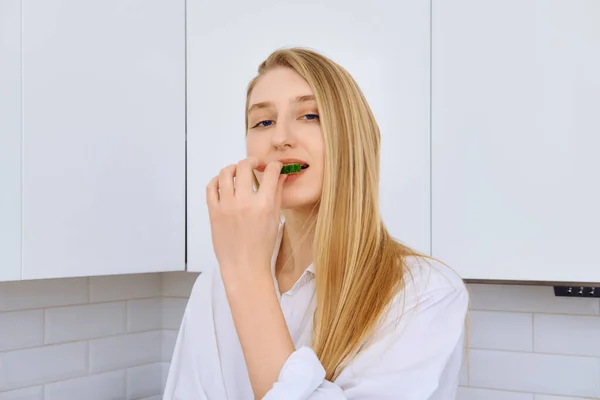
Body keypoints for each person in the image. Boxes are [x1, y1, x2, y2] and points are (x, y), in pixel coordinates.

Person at [163, 47, 469, 400]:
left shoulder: (422, 293)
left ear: (351, 139)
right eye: (263, 122)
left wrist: (248, 279)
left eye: (309, 116)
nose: (280, 138)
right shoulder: (214, 285)